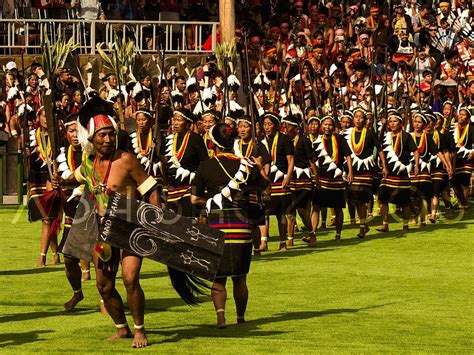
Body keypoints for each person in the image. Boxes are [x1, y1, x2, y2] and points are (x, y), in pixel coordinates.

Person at [55, 97, 161, 348]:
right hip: (103, 232)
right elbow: (75, 179)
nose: (107, 139)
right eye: (102, 135)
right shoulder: (88, 164)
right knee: (103, 285)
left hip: (130, 227)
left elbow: (151, 188)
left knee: (130, 278)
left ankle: (139, 329)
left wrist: (155, 218)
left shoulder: (126, 160)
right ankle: (122, 328)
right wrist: (61, 181)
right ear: (91, 138)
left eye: (110, 134)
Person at [191, 123, 268, 329]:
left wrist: (211, 200)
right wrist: (258, 167)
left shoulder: (206, 166)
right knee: (240, 278)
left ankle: (221, 319)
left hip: (216, 229)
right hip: (242, 227)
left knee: (218, 278)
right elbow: (263, 190)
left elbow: (193, 199)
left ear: (213, 143)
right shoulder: (248, 165)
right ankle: (241, 318)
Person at [56, 114, 91, 310]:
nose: (75, 135)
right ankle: (77, 293)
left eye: (78, 131)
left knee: (101, 258)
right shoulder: (62, 155)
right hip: (72, 213)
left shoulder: (91, 153)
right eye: (71, 131)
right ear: (66, 134)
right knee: (69, 259)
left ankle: (106, 299)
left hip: (93, 210)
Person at [344, 108, 388, 238]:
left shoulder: (370, 133)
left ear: (365, 120)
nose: (358, 119)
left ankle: (362, 227)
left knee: (361, 198)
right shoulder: (348, 133)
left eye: (361, 117)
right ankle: (364, 225)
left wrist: (384, 166)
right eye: (356, 117)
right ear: (353, 119)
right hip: (353, 169)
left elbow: (379, 149)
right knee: (354, 199)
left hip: (366, 169)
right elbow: (346, 153)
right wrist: (348, 171)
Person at [28, 107, 61, 267]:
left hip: (51, 178)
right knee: (47, 218)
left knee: (48, 218)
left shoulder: (58, 136)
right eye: (43, 115)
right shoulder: (32, 135)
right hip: (36, 178)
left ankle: (42, 257)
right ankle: (55, 254)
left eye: (49, 115)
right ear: (38, 118)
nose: (46, 118)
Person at [377, 110, 419, 232]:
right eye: (390, 122)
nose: (392, 123)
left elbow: (415, 151)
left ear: (400, 123)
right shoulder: (386, 137)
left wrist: (416, 165)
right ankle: (385, 224)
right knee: (383, 199)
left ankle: (405, 225)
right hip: (388, 173)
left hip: (402, 172)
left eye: (395, 121)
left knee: (404, 201)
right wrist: (384, 166)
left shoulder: (406, 136)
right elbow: (382, 153)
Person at [312, 115, 353, 241]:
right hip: (322, 177)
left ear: (334, 127)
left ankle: (338, 234)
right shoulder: (317, 140)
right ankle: (312, 233)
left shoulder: (339, 139)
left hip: (337, 178)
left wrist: (350, 172)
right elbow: (313, 159)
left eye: (330, 124)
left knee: (338, 207)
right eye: (325, 124)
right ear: (321, 126)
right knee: (316, 206)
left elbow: (347, 155)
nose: (327, 127)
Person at [163, 108, 209, 217]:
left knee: (188, 221)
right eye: (174, 120)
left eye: (179, 120)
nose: (175, 123)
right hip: (173, 187)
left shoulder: (195, 138)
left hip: (189, 187)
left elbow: (204, 161)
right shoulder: (170, 139)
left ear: (187, 123)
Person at [410, 112, 452, 226]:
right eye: (415, 122)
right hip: (412, 168)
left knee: (424, 194)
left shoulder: (428, 137)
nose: (417, 124)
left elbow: (437, 152)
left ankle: (424, 218)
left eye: (420, 122)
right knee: (414, 195)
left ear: (424, 125)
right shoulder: (409, 136)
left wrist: (447, 165)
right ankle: (416, 215)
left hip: (424, 168)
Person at [260, 112, 294, 251]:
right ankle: (264, 242)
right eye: (265, 124)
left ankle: (282, 242)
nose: (267, 127)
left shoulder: (284, 139)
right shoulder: (261, 141)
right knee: (265, 213)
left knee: (281, 214)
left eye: (270, 124)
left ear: (276, 126)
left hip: (281, 180)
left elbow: (291, 160)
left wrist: (288, 177)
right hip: (267, 181)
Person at [283, 112, 317, 246]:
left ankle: (312, 234)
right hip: (290, 180)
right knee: (289, 211)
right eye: (284, 125)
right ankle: (290, 240)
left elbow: (311, 160)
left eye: (288, 126)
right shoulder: (284, 140)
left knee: (302, 210)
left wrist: (316, 178)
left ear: (296, 128)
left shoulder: (303, 140)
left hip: (304, 180)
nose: (285, 128)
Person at [451, 106, 474, 209]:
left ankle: (463, 205)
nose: (460, 116)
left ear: (468, 118)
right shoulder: (453, 129)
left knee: (465, 181)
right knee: (456, 182)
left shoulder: (472, 128)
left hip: (468, 158)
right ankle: (461, 200)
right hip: (456, 158)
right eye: (460, 114)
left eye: (463, 115)